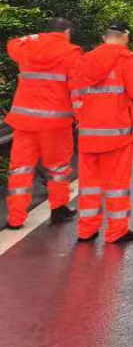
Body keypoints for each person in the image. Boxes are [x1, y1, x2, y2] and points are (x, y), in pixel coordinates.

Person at [71, 22, 133, 244]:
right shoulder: (128, 58)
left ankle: (86, 230)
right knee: (116, 185)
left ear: (104, 37)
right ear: (126, 36)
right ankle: (116, 231)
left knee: (89, 186)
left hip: (88, 133)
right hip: (117, 134)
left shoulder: (85, 59)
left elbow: (75, 92)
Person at [5, 19, 83, 230]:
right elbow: (76, 89)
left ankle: (15, 218)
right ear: (66, 31)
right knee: (58, 168)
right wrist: (81, 116)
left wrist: (34, 37)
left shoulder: (28, 46)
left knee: (20, 169)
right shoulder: (71, 52)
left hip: (24, 122)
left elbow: (12, 44)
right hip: (56, 123)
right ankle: (59, 209)